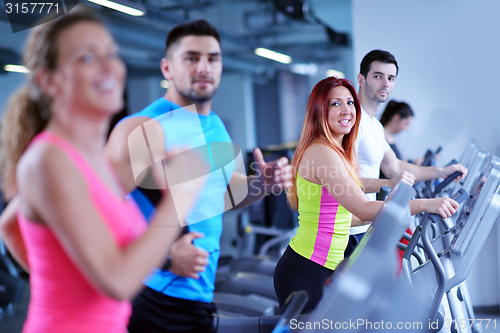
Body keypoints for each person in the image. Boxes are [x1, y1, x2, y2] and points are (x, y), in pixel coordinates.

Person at [0, 8, 207, 332]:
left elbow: (10, 225)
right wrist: (181, 197)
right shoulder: (48, 159)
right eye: (86, 57)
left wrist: (64, 276)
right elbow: (118, 281)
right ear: (49, 80)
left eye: (111, 53)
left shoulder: (90, 158)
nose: (109, 66)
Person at [104, 19, 293, 333]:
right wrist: (164, 257)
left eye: (213, 58)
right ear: (167, 68)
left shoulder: (215, 125)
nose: (204, 67)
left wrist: (261, 185)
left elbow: (223, 198)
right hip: (153, 295)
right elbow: (95, 217)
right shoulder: (138, 129)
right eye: (191, 58)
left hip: (198, 292)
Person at [273, 77, 460, 313]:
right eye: (336, 104)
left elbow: (350, 194)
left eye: (350, 102)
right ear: (320, 111)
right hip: (309, 270)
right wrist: (424, 204)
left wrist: (391, 190)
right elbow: (362, 208)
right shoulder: (322, 152)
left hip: (321, 265)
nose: (347, 110)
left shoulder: (335, 150)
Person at [344, 50, 468, 257]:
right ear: (361, 79)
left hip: (365, 227)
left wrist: (442, 171)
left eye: (391, 78)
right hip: (348, 230)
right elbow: (344, 180)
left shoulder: (374, 125)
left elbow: (395, 167)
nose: (385, 83)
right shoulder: (351, 122)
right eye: (378, 76)